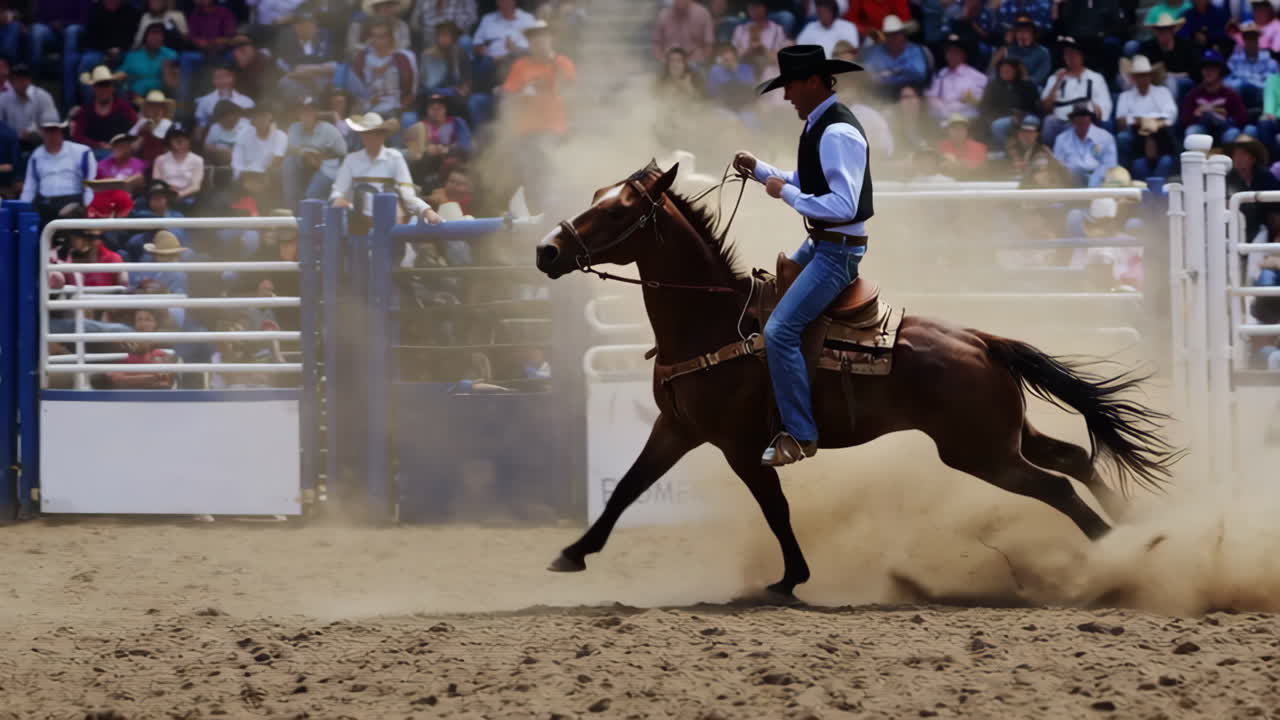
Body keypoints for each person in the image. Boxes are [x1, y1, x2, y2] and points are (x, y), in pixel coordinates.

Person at [731, 45, 871, 465]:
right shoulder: (821, 124)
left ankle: (801, 434)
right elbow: (810, 179)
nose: (787, 95)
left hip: (835, 253)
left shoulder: (835, 131)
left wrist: (783, 193)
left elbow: (842, 205)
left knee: (780, 331)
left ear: (812, 81)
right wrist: (761, 171)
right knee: (767, 306)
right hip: (825, 245)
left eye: (790, 85)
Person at [330, 111, 445, 226]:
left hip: (390, 219)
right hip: (357, 221)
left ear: (383, 135)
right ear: (362, 135)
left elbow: (407, 195)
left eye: (376, 133)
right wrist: (338, 200)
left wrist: (426, 211)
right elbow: (338, 191)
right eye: (367, 133)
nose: (371, 137)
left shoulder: (395, 157)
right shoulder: (351, 160)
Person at [21, 119, 97, 225]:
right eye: (48, 131)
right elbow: (30, 187)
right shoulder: (36, 155)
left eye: (54, 131)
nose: (51, 135)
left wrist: (87, 206)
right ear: (42, 133)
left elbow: (90, 184)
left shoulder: (82, 152)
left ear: (61, 132)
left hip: (72, 203)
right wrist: (23, 208)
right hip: (45, 204)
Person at [1039, 36, 1112, 145]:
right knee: (1049, 121)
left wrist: (1094, 111)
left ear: (1081, 55)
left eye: (1073, 53)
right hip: (1057, 120)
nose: (1069, 57)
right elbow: (1045, 107)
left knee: (1077, 124)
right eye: (1066, 53)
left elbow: (1104, 107)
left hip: (1081, 120)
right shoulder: (1055, 77)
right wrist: (1057, 83)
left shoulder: (1095, 78)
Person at [1114, 55, 1178, 179]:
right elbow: (1121, 121)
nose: (1142, 79)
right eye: (1138, 75)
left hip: (1161, 134)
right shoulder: (1125, 96)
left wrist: (1151, 122)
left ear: (1150, 76)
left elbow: (1172, 115)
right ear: (1133, 78)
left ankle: (1157, 189)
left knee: (1165, 161)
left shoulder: (1163, 92)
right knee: (1127, 144)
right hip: (1136, 136)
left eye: (1145, 75)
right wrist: (1143, 122)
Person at [282, 96, 347, 210]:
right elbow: (291, 148)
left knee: (311, 195)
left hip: (326, 166)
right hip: (304, 163)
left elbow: (343, 153)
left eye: (310, 110)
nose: (306, 114)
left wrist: (321, 157)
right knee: (288, 162)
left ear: (316, 112)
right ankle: (291, 208)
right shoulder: (294, 128)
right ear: (298, 113)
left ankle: (309, 214)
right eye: (303, 110)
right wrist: (307, 154)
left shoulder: (329, 129)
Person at [71, 66, 138, 158]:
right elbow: (78, 136)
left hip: (120, 153)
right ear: (94, 88)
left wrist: (121, 145)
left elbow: (136, 128)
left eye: (107, 84)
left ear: (112, 87)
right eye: (100, 85)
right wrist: (97, 145)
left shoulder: (123, 107)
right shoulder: (86, 110)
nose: (103, 89)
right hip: (93, 153)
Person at [861, 15, 929, 99]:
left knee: (908, 92)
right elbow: (869, 76)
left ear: (903, 34)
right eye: (889, 35)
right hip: (883, 94)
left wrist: (890, 74)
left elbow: (919, 74)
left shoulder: (914, 50)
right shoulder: (877, 52)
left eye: (896, 34)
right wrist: (902, 72)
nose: (892, 38)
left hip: (910, 92)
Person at [1052, 103, 1118, 187]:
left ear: (1091, 118)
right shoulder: (1061, 139)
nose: (1082, 118)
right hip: (1071, 183)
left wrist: (1094, 180)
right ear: (1073, 120)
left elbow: (1110, 166)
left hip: (1099, 183)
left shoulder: (1106, 137)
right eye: (1078, 115)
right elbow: (1058, 166)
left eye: (1085, 115)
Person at [925, 34, 987, 122]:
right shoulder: (941, 74)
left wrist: (969, 100)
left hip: (966, 118)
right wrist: (944, 109)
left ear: (964, 55)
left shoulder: (977, 77)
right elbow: (931, 96)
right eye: (949, 52)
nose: (951, 55)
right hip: (942, 116)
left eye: (955, 52)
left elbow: (978, 101)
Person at [0, 64, 60, 150]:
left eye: (24, 78)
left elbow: (52, 124)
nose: (22, 81)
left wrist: (34, 132)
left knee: (36, 138)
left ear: (30, 80)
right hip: (12, 142)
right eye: (18, 78)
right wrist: (14, 135)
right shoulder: (3, 98)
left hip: (38, 141)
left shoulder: (43, 96)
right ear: (11, 81)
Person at [152, 126, 205, 207]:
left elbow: (196, 186)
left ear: (189, 140)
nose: (179, 140)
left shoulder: (198, 160)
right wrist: (169, 192)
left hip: (187, 197)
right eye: (175, 137)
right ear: (169, 141)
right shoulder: (160, 159)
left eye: (183, 137)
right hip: (164, 196)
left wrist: (179, 194)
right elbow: (157, 183)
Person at [655, 0, 714, 65]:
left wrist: (703, 61)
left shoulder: (703, 14)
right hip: (669, 63)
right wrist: (662, 60)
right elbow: (657, 44)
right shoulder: (663, 15)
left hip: (695, 62)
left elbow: (709, 44)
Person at [796, 0, 860, 57]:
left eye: (824, 12)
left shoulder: (848, 27)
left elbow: (852, 52)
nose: (821, 15)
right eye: (819, 12)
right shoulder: (810, 27)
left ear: (832, 12)